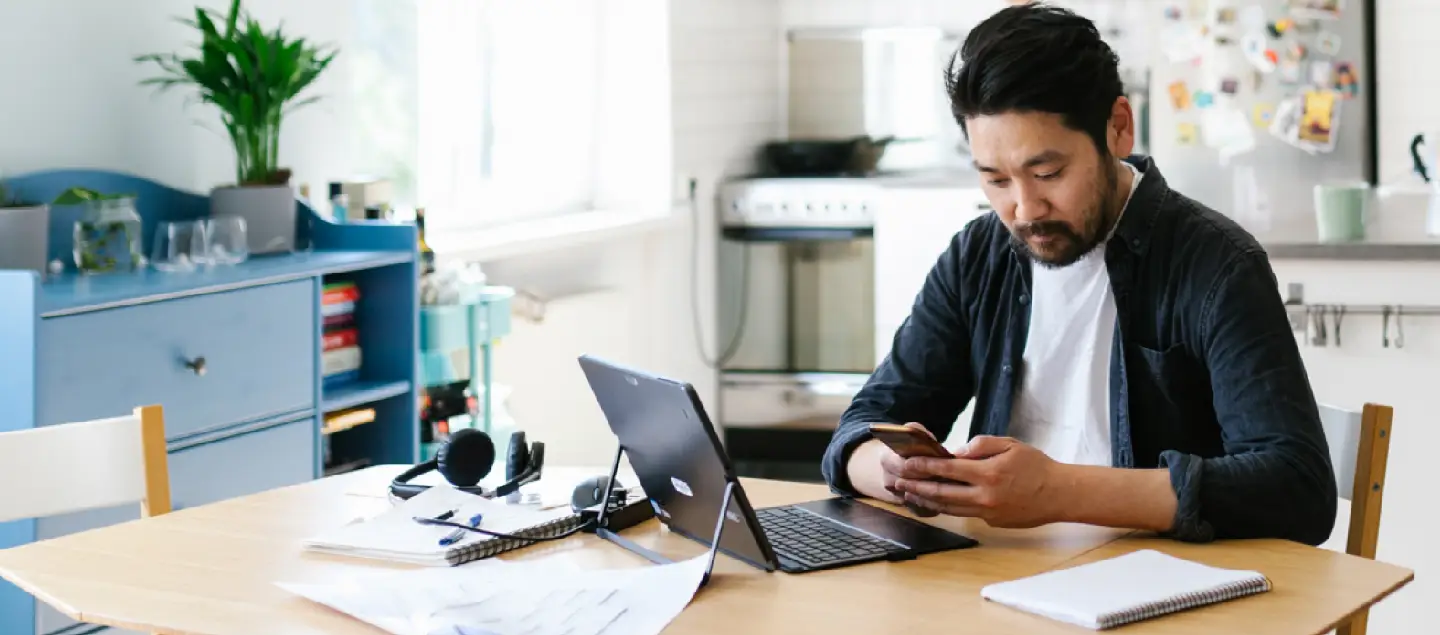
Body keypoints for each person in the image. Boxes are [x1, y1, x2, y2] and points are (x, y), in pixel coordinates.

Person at [820, 3, 1337, 545]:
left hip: (1160, 595)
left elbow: (1297, 490)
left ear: (1117, 128)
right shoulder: (979, 258)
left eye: (1048, 173)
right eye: (995, 180)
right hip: (992, 583)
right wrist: (894, 471)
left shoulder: (1216, 264)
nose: (1023, 208)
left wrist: (1056, 492)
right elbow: (861, 429)